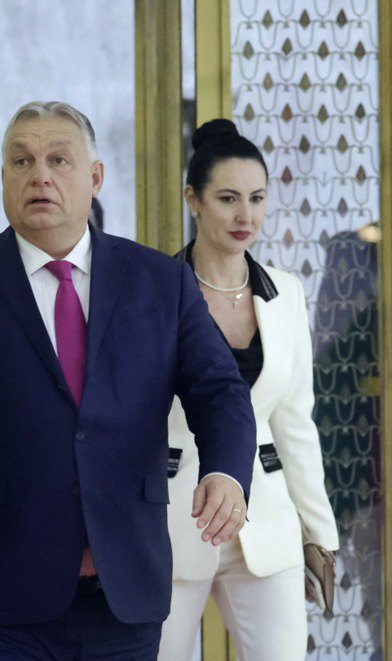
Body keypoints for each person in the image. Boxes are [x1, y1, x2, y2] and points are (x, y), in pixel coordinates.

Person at [0, 101, 257, 659]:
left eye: (59, 159)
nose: (40, 176)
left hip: (123, 588)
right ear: (3, 176)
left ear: (95, 177)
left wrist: (226, 470)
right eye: (21, 161)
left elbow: (219, 389)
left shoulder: (160, 282)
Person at [158, 119, 339, 660]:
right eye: (228, 198)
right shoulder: (155, 288)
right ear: (193, 198)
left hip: (268, 522)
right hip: (172, 517)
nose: (246, 216)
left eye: (257, 198)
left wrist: (318, 533)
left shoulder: (286, 292)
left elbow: (294, 424)